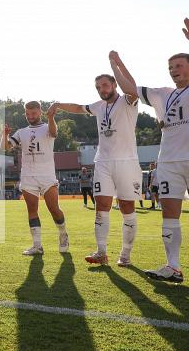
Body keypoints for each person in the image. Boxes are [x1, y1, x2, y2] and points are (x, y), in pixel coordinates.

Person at [111, 17, 189, 284]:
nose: (173, 70)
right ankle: (173, 267)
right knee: (169, 213)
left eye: (178, 65)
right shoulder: (161, 93)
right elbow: (129, 88)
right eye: (170, 67)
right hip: (168, 162)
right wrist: (115, 63)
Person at [53, 65, 142, 267]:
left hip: (127, 162)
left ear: (114, 84)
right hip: (102, 161)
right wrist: (59, 105)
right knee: (101, 207)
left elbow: (133, 89)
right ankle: (101, 252)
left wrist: (117, 62)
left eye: (105, 85)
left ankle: (125, 255)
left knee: (127, 207)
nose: (102, 89)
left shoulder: (128, 101)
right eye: (98, 87)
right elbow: (78, 108)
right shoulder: (98, 106)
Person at [2, 102, 70, 255]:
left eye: (33, 114)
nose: (30, 117)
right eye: (27, 114)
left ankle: (63, 234)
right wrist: (4, 134)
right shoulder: (21, 132)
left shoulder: (47, 127)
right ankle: (37, 246)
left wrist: (51, 118)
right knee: (32, 210)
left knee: (54, 209)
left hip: (47, 175)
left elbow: (54, 133)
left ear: (39, 112)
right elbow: (5, 147)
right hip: (28, 176)